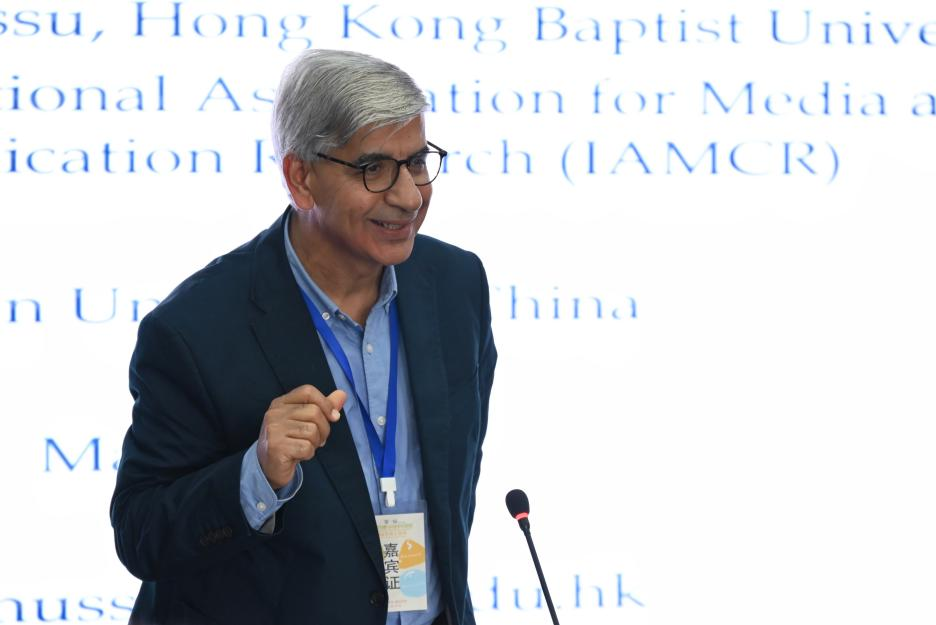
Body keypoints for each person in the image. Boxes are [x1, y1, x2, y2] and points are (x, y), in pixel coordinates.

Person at [110, 49, 496, 625]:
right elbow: (141, 533)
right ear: (301, 178)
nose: (410, 196)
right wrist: (258, 473)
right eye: (374, 169)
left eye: (417, 161)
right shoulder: (194, 329)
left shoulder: (455, 286)